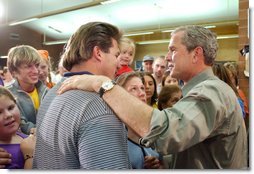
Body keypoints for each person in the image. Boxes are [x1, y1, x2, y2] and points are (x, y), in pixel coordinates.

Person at [58, 25, 247, 169]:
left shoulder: (211, 92)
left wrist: (103, 85)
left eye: (173, 50)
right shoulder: (202, 90)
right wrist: (163, 160)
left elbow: (167, 132)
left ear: (196, 53)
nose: (167, 57)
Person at [33, 22, 131, 169]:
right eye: (116, 55)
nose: (119, 64)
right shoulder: (100, 106)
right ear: (98, 53)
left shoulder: (51, 93)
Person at [115, 71, 161, 169]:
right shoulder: (115, 136)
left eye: (142, 88)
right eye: (134, 89)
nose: (142, 93)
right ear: (120, 95)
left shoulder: (154, 128)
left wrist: (158, 166)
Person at [7, 45, 48, 135]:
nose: (36, 71)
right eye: (29, 66)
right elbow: (20, 123)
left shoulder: (47, 91)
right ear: (14, 72)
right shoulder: (7, 95)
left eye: (36, 65)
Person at [0, 86, 35, 169]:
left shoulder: (25, 137)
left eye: (11, 108)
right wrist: (30, 157)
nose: (8, 115)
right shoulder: (4, 156)